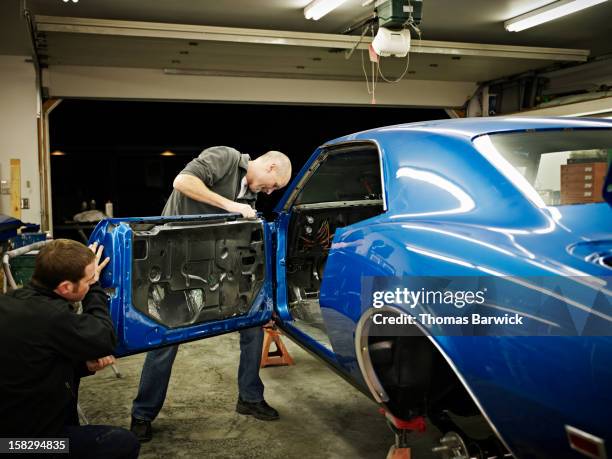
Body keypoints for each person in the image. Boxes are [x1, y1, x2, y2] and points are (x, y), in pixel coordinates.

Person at [130, 146, 292, 443]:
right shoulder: (225, 158)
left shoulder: (250, 194)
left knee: (253, 322)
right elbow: (182, 182)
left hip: (214, 267)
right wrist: (231, 205)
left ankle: (250, 397)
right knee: (167, 337)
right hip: (176, 263)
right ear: (270, 168)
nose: (271, 192)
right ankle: (142, 414)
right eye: (275, 185)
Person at [0, 239, 140, 459]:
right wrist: (96, 288)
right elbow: (104, 337)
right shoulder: (53, 317)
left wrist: (82, 366)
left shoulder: (11, 302)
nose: (91, 282)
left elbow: (33, 363)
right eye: (88, 279)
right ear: (66, 287)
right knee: (122, 442)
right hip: (21, 445)